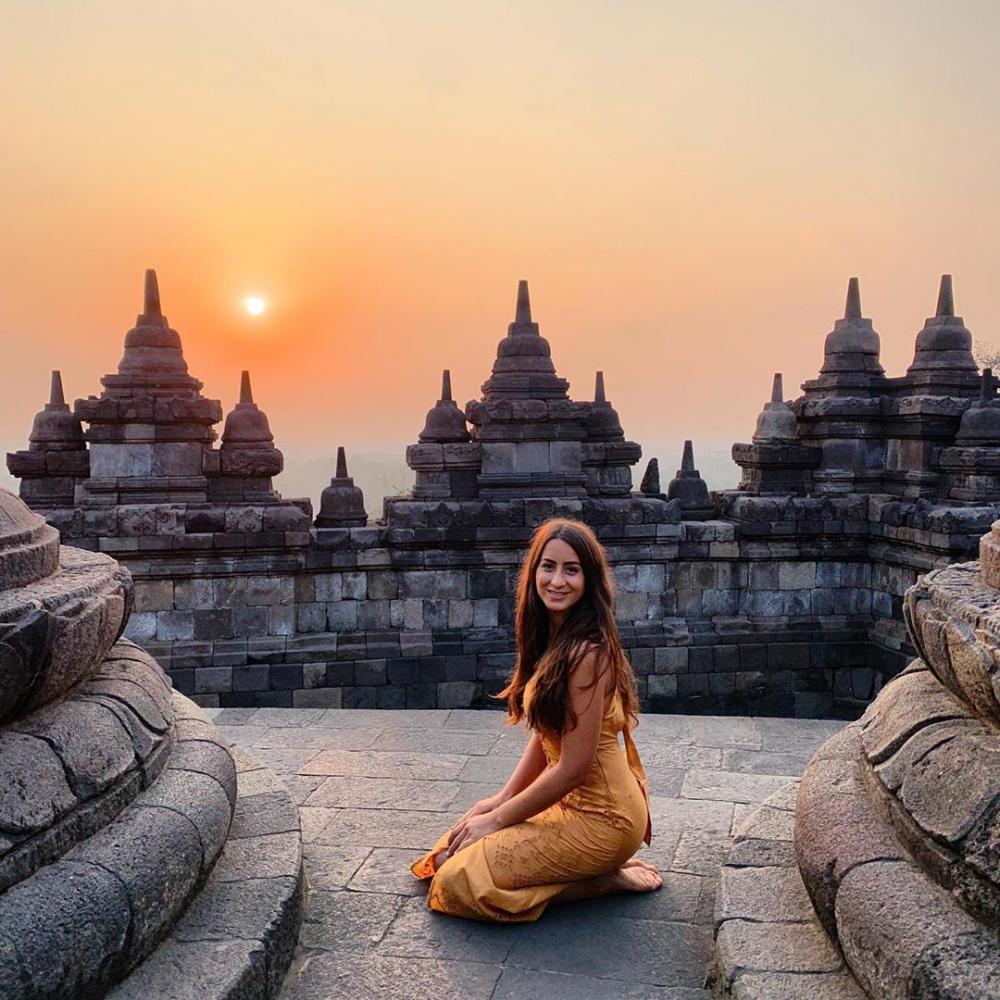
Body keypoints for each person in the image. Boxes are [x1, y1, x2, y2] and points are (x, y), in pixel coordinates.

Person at [411, 517, 661, 922]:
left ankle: (600, 882)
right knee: (444, 856)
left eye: (571, 570)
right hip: (568, 804)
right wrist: (500, 799)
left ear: (589, 581)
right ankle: (590, 873)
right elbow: (548, 737)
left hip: (605, 819)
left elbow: (573, 767)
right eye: (548, 567)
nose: (557, 581)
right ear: (534, 572)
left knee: (456, 882)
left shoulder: (586, 652)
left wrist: (496, 820)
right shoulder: (551, 635)